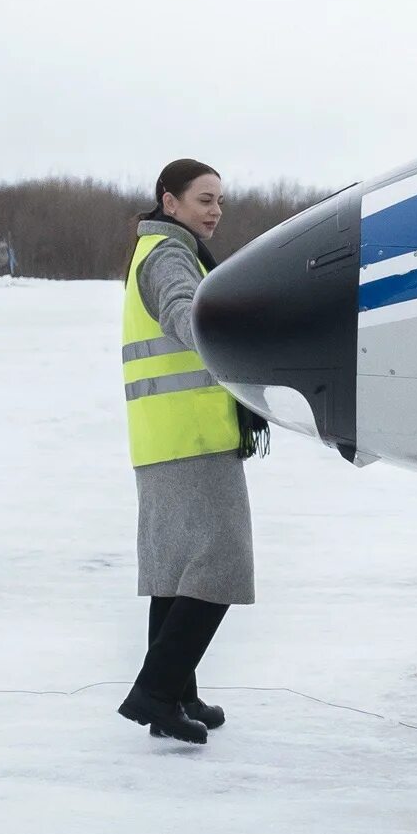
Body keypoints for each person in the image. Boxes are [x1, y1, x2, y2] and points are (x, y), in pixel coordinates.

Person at [116, 158, 267, 743]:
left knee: (176, 568)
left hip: (165, 434)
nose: (216, 210)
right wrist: (221, 332)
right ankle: (154, 692)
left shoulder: (154, 251)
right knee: (220, 562)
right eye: (204, 199)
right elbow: (184, 311)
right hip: (192, 436)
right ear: (169, 202)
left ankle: (177, 696)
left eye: (220, 200)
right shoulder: (169, 256)